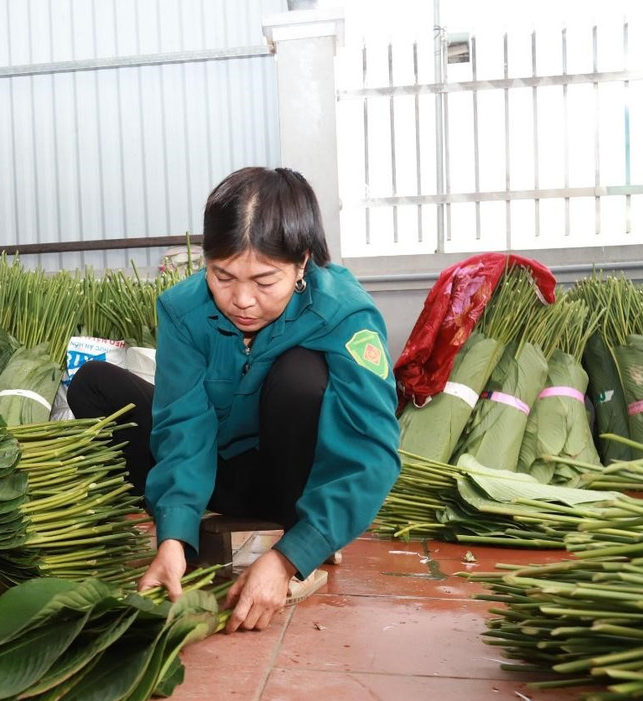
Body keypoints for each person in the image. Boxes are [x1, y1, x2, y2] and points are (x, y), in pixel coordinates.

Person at [68, 167, 400, 633]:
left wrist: (289, 559)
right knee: (95, 385)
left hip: (290, 479)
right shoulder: (183, 310)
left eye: (265, 282)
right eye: (222, 276)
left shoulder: (344, 314)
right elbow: (183, 425)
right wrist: (173, 539)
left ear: (301, 262)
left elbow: (372, 452)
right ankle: (192, 527)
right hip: (221, 471)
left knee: (301, 376)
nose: (241, 300)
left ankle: (301, 532)